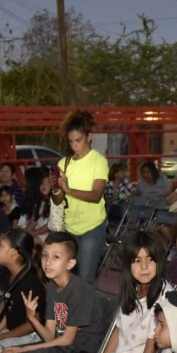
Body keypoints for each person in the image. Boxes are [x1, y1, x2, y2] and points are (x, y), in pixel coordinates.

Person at [51, 109, 109, 286]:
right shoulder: (64, 163)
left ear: (89, 136)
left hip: (92, 227)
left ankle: (89, 313)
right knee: (68, 277)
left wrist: (68, 189)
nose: (74, 145)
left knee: (85, 278)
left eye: (78, 140)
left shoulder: (98, 161)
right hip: (69, 227)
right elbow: (58, 201)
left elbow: (96, 195)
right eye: (71, 142)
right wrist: (54, 188)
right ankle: (75, 310)